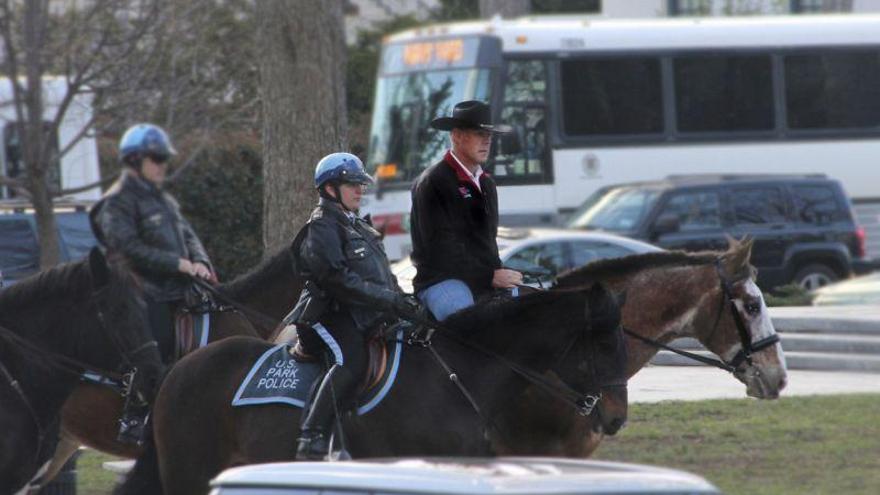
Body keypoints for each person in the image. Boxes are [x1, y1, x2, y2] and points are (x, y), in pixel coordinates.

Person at [288, 152, 424, 461]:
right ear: (330, 189)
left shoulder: (359, 226)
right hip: (328, 314)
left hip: (363, 313)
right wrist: (388, 300)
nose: (359, 190)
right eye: (352, 185)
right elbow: (336, 279)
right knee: (351, 360)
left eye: (360, 184)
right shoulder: (322, 225)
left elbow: (382, 275)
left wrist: (401, 299)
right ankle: (312, 437)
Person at [90, 123, 214, 443]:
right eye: (156, 159)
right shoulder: (116, 202)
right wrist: (177, 263)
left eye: (163, 159)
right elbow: (127, 246)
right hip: (142, 290)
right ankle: (134, 415)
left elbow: (187, 234)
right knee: (153, 343)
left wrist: (200, 262)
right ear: (134, 161)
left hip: (180, 287)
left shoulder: (163, 200)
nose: (162, 165)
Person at [409, 100, 523, 321]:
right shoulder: (432, 181)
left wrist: (499, 273)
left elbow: (487, 244)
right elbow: (440, 250)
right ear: (456, 136)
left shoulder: (487, 184)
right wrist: (490, 276)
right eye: (479, 133)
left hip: (483, 278)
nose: (486, 141)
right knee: (469, 323)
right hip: (441, 280)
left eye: (489, 135)